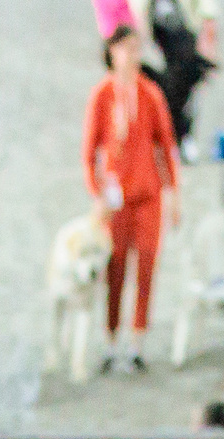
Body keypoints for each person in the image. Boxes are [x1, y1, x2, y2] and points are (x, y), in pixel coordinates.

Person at [84, 24, 183, 373]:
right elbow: (89, 151)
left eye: (136, 48)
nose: (131, 56)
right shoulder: (102, 96)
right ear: (112, 52)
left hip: (147, 194)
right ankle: (111, 339)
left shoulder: (150, 94)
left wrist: (173, 196)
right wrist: (97, 194)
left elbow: (166, 147)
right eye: (125, 48)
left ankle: (137, 339)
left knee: (145, 267)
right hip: (115, 200)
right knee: (114, 268)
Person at [143, 0, 221, 159]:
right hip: (155, 44)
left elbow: (207, 8)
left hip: (184, 42)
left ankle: (183, 136)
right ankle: (168, 137)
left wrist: (208, 29)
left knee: (184, 94)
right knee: (162, 94)